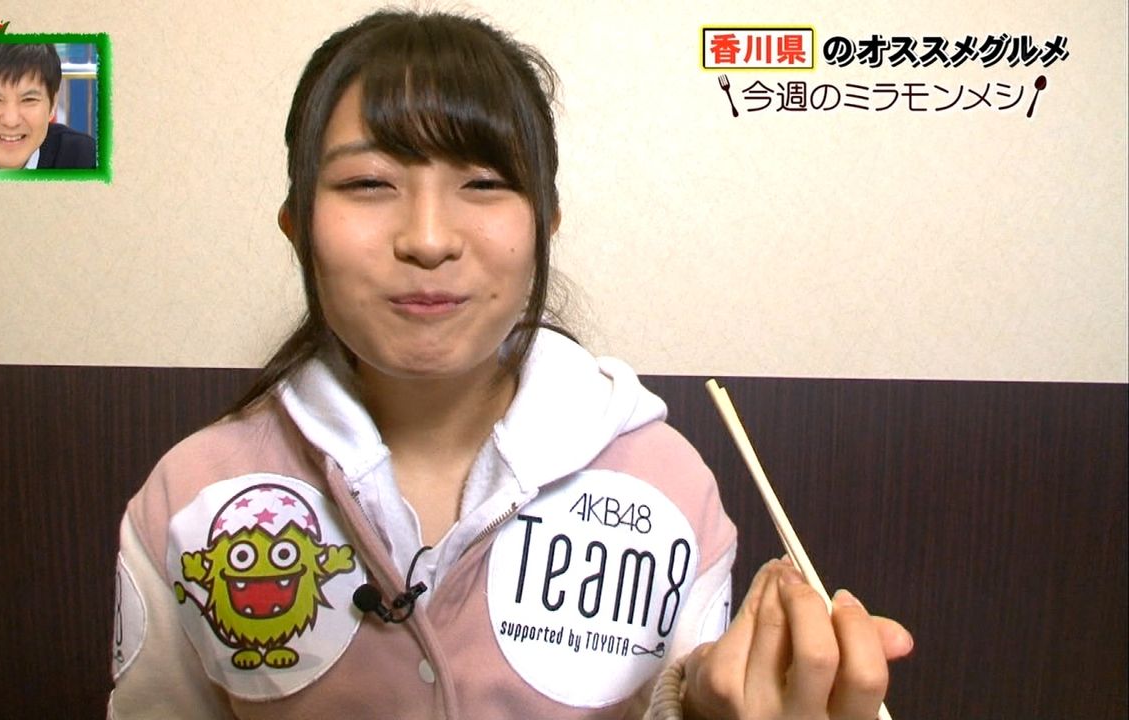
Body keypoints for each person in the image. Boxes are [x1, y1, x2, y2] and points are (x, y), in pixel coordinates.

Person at [108, 9, 912, 719]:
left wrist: (702, 708)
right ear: (296, 225)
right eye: (369, 182)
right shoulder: (190, 501)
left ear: (545, 223)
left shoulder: (665, 491)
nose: (428, 239)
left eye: (485, 182)